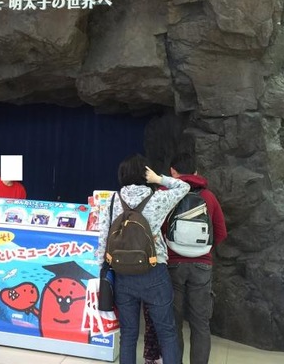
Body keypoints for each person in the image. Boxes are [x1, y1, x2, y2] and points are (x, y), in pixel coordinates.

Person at [96, 154, 190, 364]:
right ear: (146, 175)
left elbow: (103, 239)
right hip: (154, 273)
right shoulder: (157, 199)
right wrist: (159, 179)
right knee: (167, 332)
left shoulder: (112, 201)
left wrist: (102, 269)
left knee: (128, 334)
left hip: (122, 275)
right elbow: (184, 186)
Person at [143, 154, 228, 364]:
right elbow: (221, 232)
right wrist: (203, 251)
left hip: (173, 264)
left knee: (174, 322)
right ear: (196, 172)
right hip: (202, 265)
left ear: (172, 172)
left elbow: (157, 227)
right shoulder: (209, 197)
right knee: (201, 323)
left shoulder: (166, 194)